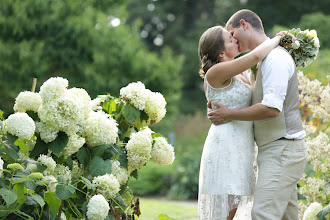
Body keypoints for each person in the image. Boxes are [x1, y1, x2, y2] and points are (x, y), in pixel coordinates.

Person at [207, 9, 308, 220]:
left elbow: (272, 108)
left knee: (263, 215)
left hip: (282, 148)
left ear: (244, 25)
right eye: (229, 38)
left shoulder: (275, 59)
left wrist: (230, 114)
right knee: (286, 217)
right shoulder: (261, 62)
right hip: (272, 149)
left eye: (233, 34)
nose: (233, 40)